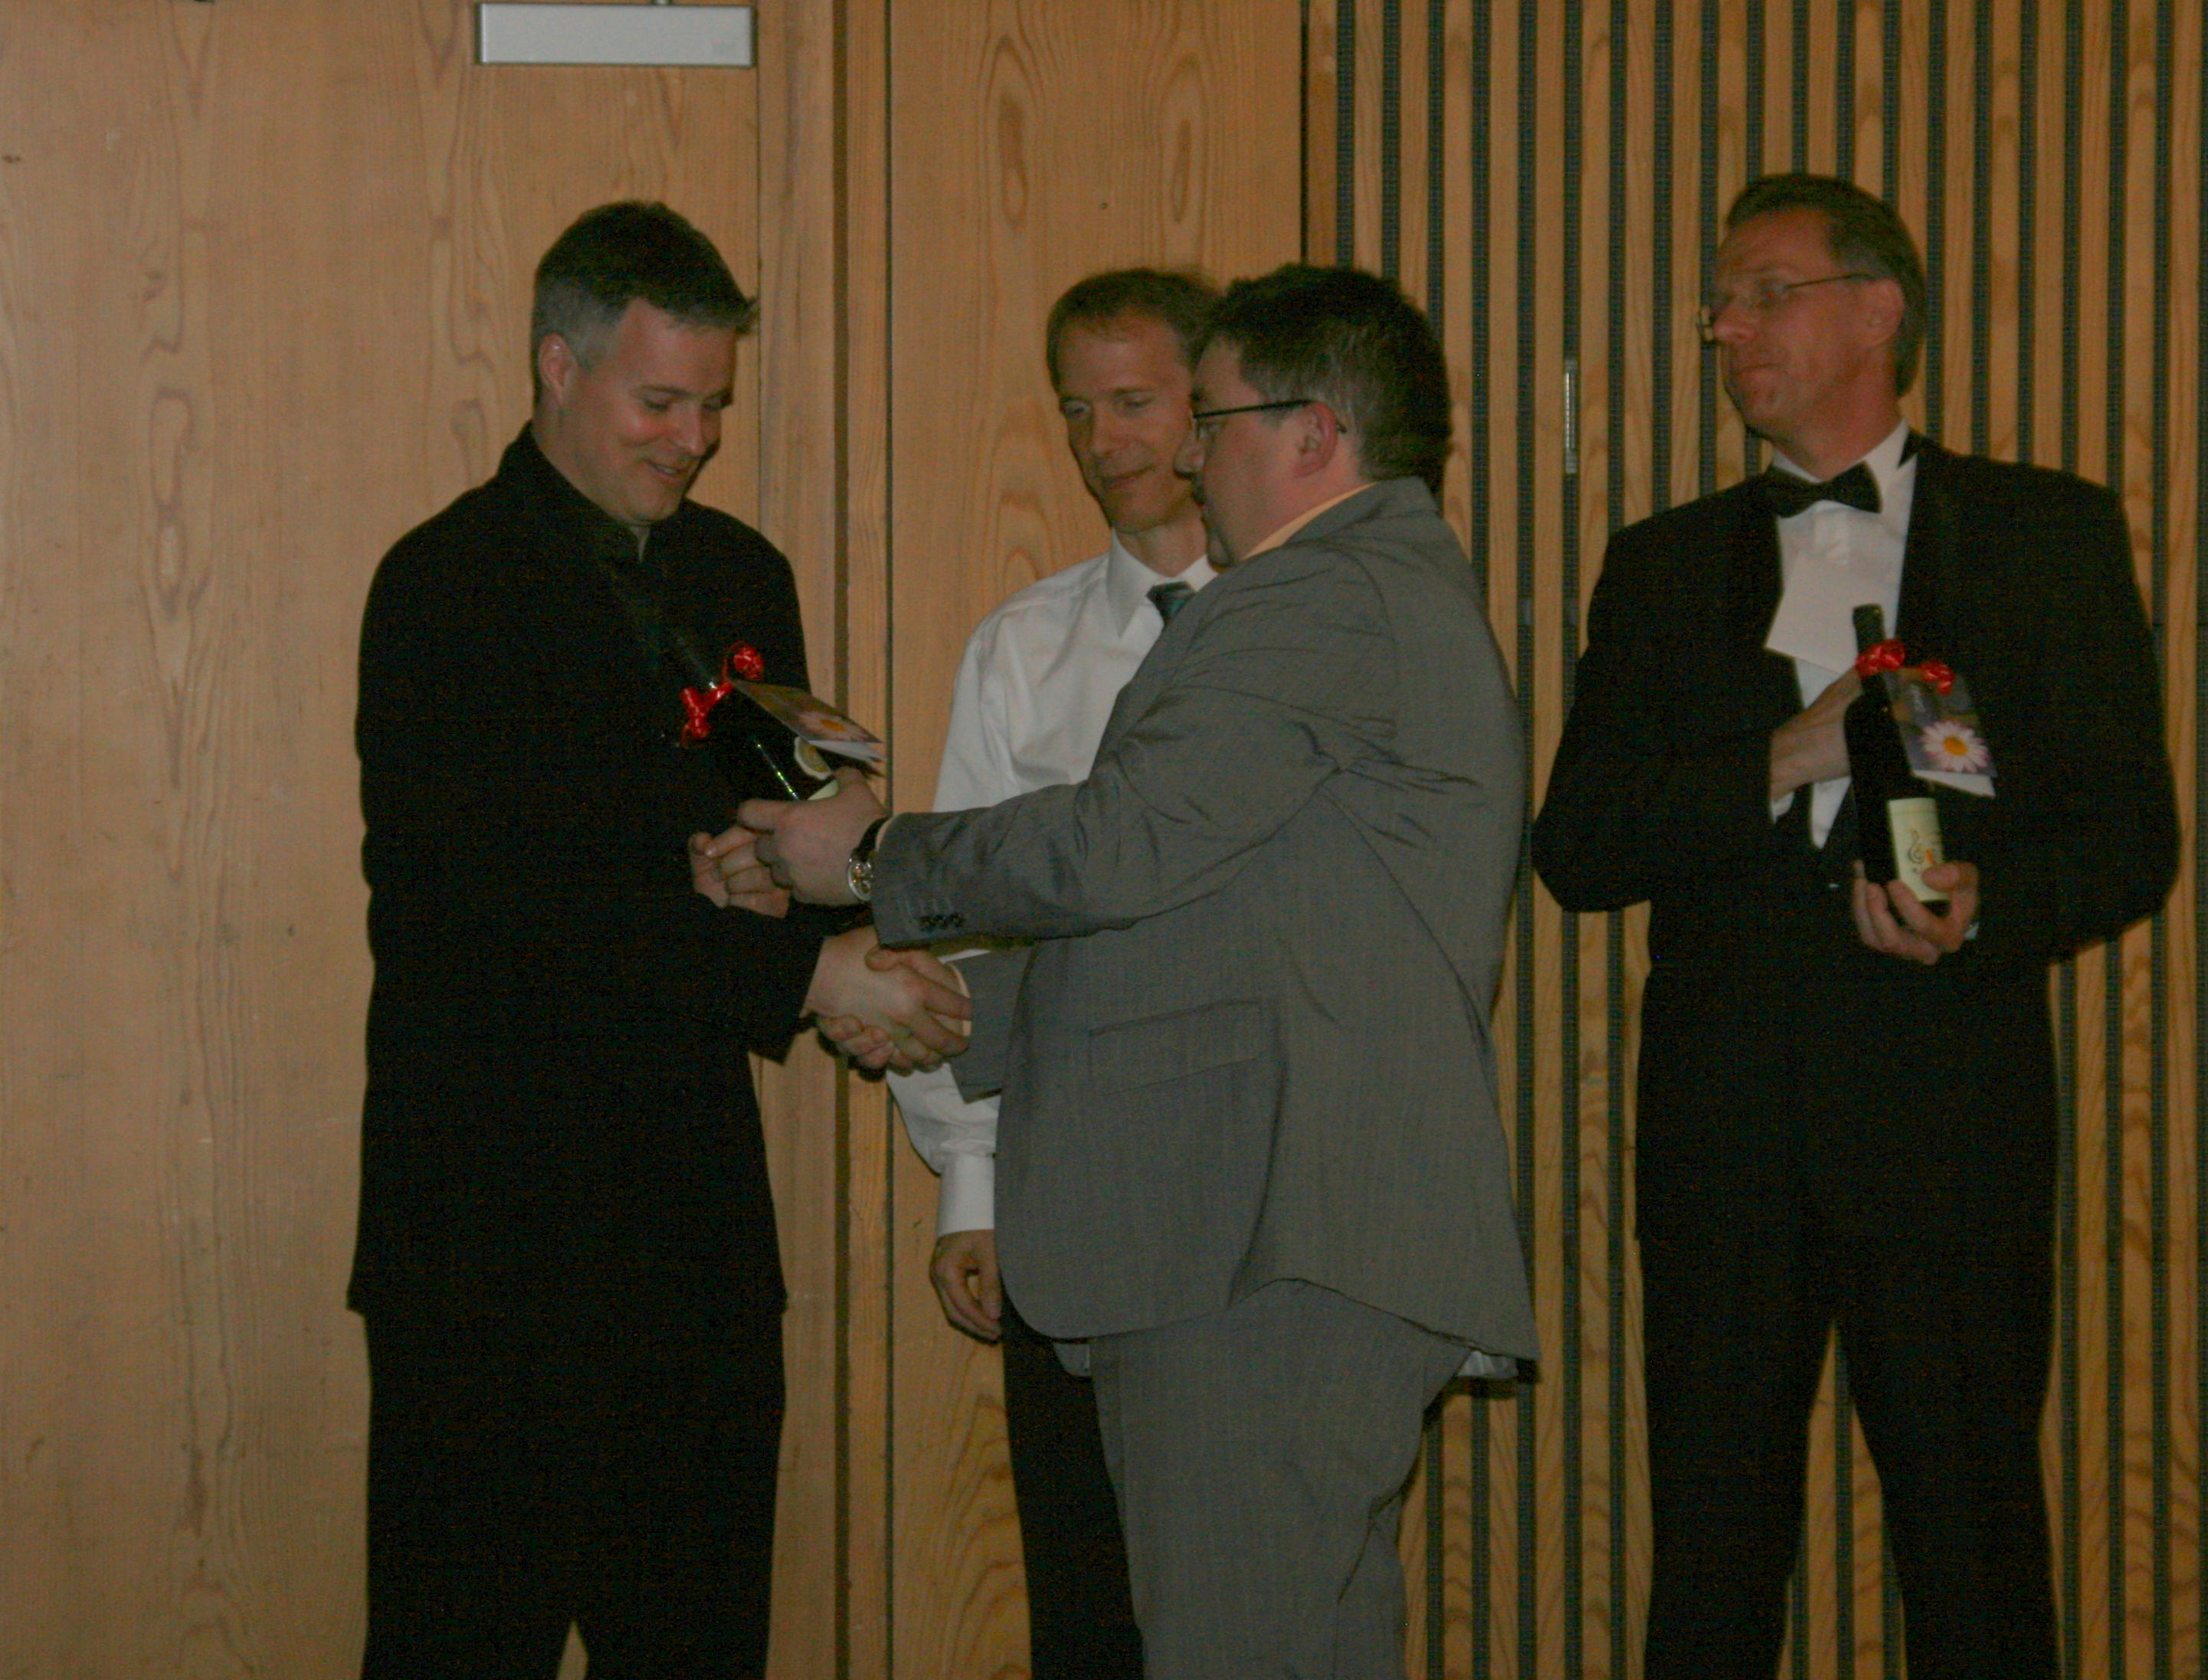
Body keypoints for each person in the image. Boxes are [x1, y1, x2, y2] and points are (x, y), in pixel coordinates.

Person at [739, 264, 1540, 1679]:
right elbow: (1212, 930)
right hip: (1262, 1236)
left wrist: (872, 859)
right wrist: (944, 1005)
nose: (1184, 456)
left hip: (1265, 1245)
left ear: (1311, 435)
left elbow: (1120, 843)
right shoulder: (1356, 597)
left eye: (1208, 421)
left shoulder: (1321, 595)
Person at [1530, 173, 2178, 1678]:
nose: (1723, 326)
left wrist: (1989, 909)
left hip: (1951, 1122)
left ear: (1879, 310)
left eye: (1764, 291)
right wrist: (1782, 755)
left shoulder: (2045, 532)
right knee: (1711, 1558)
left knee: (1976, 1550)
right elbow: (1578, 848)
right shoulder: (1661, 562)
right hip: (1723, 1131)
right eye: (1718, 300)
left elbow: (2129, 834)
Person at [352, 199, 967, 1678]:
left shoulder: (743, 574)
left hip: (692, 1244)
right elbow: (507, 905)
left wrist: (825, 909)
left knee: (694, 1650)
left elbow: (789, 838)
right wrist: (799, 969)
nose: (694, 438)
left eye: (713, 404)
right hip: (488, 1253)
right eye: (660, 401)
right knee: (458, 1652)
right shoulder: (442, 586)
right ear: (556, 366)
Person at [893, 267, 1223, 1678]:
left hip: (1263, 1192)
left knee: (1256, 1600)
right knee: (1086, 1608)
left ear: (1216, 403)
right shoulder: (1024, 649)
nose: (1101, 442)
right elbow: (959, 938)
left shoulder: (1308, 631)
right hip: (1072, 1187)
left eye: (1134, 401)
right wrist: (971, 1184)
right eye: (1078, 410)